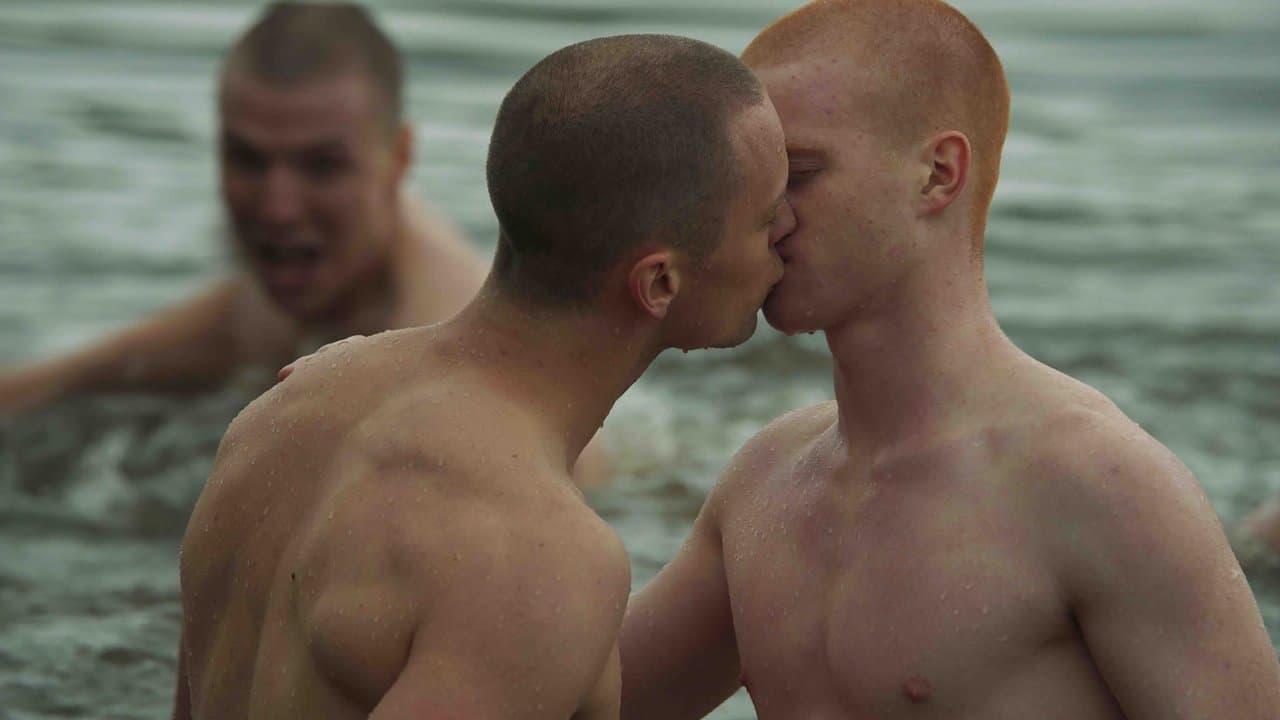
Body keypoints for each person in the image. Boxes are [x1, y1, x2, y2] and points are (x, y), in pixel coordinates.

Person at [619, 1, 1280, 718]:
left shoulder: (1099, 488)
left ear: (938, 173)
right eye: (750, 190)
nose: (765, 221)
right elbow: (577, 702)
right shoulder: (765, 482)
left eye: (799, 175)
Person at [172, 32, 793, 720]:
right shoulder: (539, 557)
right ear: (659, 282)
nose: (791, 230)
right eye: (767, 219)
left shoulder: (279, 411)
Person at [0, 2, 607, 485]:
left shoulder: (440, 349)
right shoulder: (294, 284)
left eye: (322, 166)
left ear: (398, 159)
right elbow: (65, 381)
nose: (277, 208)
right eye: (248, 159)